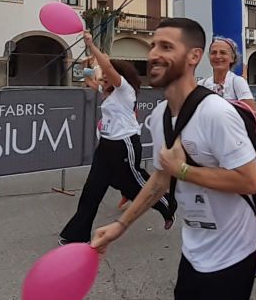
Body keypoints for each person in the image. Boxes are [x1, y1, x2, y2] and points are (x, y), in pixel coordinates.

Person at [92, 18, 256, 300]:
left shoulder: (216, 112)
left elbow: (249, 181)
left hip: (235, 251)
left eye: (167, 46)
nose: (154, 53)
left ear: (193, 56)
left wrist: (183, 171)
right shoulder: (159, 117)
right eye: (154, 45)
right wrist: (120, 226)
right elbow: (159, 178)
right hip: (195, 247)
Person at [60, 31, 176, 245]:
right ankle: (76, 236)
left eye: (105, 76)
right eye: (102, 77)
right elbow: (88, 80)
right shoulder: (108, 93)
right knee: (92, 190)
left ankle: (166, 203)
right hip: (105, 146)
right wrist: (88, 62)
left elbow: (109, 69)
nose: (103, 78)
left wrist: (92, 46)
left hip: (124, 144)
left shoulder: (125, 90)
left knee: (136, 182)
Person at [198, 36, 256, 279]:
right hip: (212, 156)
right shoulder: (203, 84)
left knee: (245, 208)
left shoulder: (238, 82)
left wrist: (225, 109)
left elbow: (252, 114)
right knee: (219, 209)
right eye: (214, 52)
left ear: (232, 58)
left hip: (237, 154)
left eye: (223, 52)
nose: (218, 56)